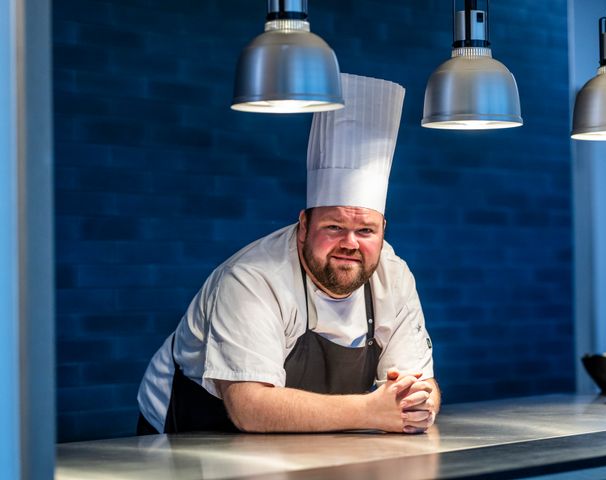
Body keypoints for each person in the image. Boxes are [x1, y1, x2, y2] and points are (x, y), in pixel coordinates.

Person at [136, 73, 439, 435]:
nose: (350, 243)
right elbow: (251, 407)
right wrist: (373, 411)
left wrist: (419, 403)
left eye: (366, 231)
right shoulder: (253, 279)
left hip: (305, 440)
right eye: (333, 227)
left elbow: (421, 385)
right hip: (191, 438)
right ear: (303, 226)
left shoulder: (395, 277)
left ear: (383, 231)